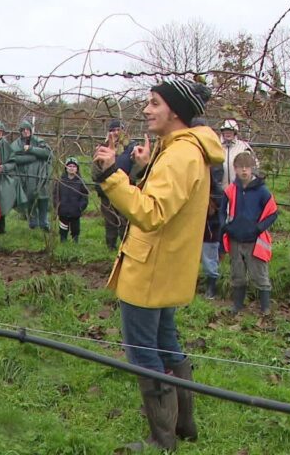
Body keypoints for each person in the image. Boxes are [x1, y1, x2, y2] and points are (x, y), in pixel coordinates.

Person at [92, 79, 223, 451]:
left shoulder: (181, 155)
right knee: (167, 342)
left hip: (149, 268)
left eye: (154, 103)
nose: (147, 109)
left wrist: (111, 176)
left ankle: (160, 439)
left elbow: (151, 212)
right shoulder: (180, 150)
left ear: (176, 111)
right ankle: (183, 424)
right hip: (165, 266)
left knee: (142, 351)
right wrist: (146, 168)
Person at [221, 152, 278, 315]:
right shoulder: (231, 190)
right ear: (235, 169)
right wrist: (226, 228)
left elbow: (273, 213)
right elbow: (222, 211)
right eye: (240, 168)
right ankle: (237, 306)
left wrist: (258, 229)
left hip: (255, 240)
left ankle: (265, 308)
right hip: (235, 239)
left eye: (247, 167)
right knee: (237, 274)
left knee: (259, 274)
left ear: (252, 168)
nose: (244, 171)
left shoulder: (262, 191)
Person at [96, 119, 139, 250]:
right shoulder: (103, 148)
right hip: (107, 191)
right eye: (112, 130)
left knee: (124, 220)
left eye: (118, 130)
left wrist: (129, 181)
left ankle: (125, 245)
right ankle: (110, 246)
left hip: (125, 190)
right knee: (110, 221)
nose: (115, 133)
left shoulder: (131, 148)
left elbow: (136, 169)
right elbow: (96, 170)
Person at [9, 120, 53, 231]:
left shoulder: (38, 141)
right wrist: (32, 158)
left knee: (43, 198)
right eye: (23, 130)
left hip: (41, 175)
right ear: (20, 131)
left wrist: (32, 149)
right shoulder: (16, 144)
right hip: (25, 177)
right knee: (29, 198)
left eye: (27, 129)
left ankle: (44, 223)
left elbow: (48, 153)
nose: (26, 132)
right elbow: (12, 158)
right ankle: (33, 222)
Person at [201, 161, 226, 300]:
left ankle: (211, 286)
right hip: (197, 228)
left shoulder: (217, 193)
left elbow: (218, 214)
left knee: (209, 257)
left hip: (210, 229)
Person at [53, 157, 89, 243]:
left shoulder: (81, 182)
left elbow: (85, 196)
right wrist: (57, 205)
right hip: (63, 211)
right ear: (66, 168)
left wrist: (80, 207)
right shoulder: (60, 181)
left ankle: (75, 240)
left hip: (75, 211)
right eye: (69, 166)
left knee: (75, 228)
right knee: (63, 227)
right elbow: (55, 194)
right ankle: (63, 240)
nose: (71, 168)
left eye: (74, 166)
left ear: (77, 169)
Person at [219, 119, 258, 189]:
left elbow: (254, 165)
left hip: (239, 189)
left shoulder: (243, 146)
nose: (228, 133)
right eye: (225, 130)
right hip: (220, 191)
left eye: (231, 130)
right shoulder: (216, 146)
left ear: (235, 132)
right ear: (222, 132)